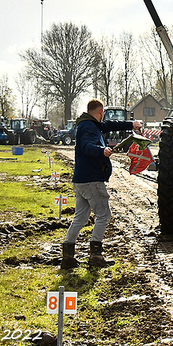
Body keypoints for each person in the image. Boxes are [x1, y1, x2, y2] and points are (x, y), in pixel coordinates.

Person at [60, 99, 142, 270]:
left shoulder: (89, 123)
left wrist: (131, 124)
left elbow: (110, 125)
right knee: (103, 215)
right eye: (103, 114)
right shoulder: (88, 127)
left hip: (80, 180)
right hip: (91, 180)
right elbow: (86, 146)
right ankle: (96, 255)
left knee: (80, 218)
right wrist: (101, 150)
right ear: (100, 111)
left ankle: (68, 255)